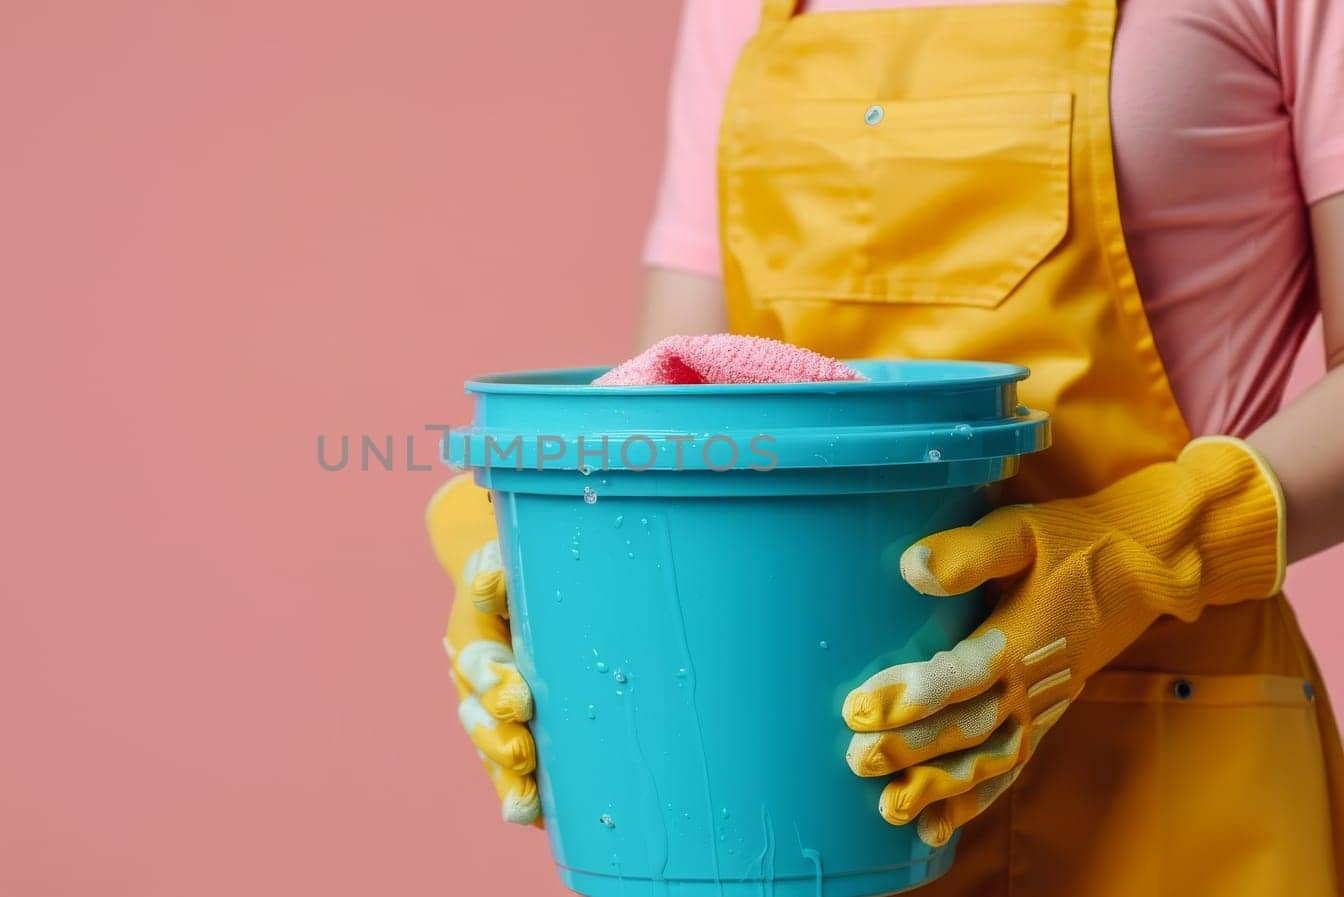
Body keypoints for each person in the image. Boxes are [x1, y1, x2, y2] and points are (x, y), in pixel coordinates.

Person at [427, 0, 1344, 892]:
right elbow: (676, 401)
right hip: (794, 800)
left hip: (1174, 772)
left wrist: (1139, 550)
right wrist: (531, 572)